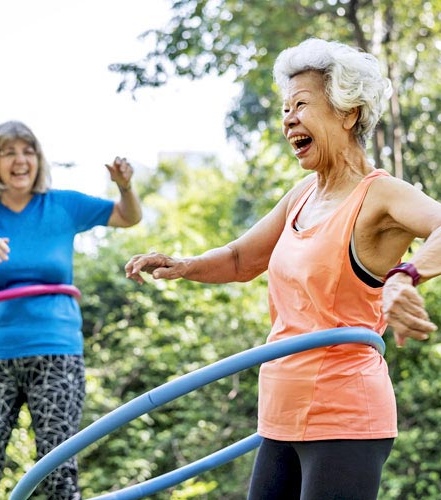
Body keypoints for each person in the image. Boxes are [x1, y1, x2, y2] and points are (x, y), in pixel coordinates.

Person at [124, 38, 441, 500]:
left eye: (302, 105)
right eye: (285, 107)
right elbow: (240, 259)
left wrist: (406, 276)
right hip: (279, 415)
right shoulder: (302, 194)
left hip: (344, 414)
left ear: (348, 111)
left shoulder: (382, 195)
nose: (288, 118)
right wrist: (184, 265)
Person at [0, 120, 142, 500]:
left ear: (38, 159)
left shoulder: (62, 204)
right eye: (9, 152)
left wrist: (125, 186)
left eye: (28, 151)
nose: (20, 160)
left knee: (57, 476)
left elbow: (127, 217)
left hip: (57, 354)